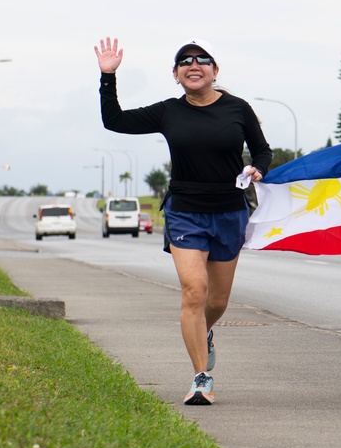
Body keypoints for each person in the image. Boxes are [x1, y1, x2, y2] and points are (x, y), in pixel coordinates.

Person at [94, 36, 272, 406]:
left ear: (215, 70)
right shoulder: (168, 112)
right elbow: (114, 121)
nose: (194, 64)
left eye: (202, 59)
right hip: (185, 210)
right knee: (194, 290)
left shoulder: (238, 109)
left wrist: (259, 167)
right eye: (185, 61)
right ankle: (201, 377)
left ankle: (203, 332)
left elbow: (262, 149)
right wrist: (108, 77)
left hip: (228, 211)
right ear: (176, 75)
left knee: (218, 300)